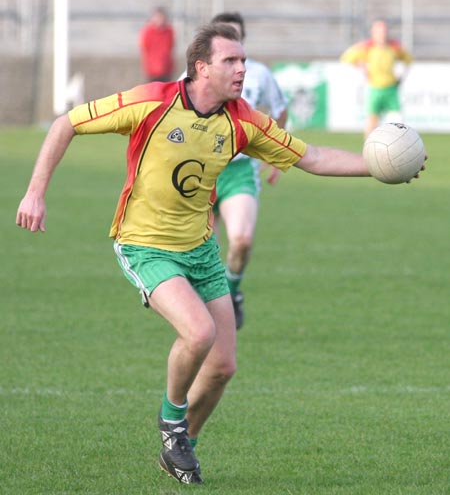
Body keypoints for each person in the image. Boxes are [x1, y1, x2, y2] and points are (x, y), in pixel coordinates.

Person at [16, 24, 424, 486]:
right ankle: (171, 423)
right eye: (231, 61)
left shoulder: (242, 120)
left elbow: (311, 158)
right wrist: (35, 192)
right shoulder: (151, 100)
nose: (243, 69)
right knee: (199, 332)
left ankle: (177, 448)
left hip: (201, 250)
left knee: (223, 366)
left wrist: (378, 167)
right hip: (144, 244)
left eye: (244, 61)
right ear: (201, 67)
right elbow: (66, 123)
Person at [181, 12, 288, 329]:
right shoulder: (192, 78)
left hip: (239, 171)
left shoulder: (259, 75)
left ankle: (232, 293)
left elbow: (281, 110)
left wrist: (274, 153)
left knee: (241, 240)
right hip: (198, 173)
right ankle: (207, 315)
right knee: (205, 254)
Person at [340, 19, 413, 137]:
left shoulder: (394, 47)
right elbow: (346, 58)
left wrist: (402, 76)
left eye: (384, 31)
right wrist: (361, 68)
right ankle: (368, 151)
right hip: (375, 88)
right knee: (372, 123)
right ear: (373, 33)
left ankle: (398, 151)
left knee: (398, 123)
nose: (382, 34)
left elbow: (408, 60)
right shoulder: (367, 47)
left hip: (391, 89)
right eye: (379, 31)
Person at [139, 6, 175, 82]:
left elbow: (170, 48)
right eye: (158, 17)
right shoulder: (148, 31)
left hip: (166, 70)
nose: (160, 20)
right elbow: (144, 48)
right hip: (151, 71)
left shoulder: (169, 31)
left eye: (162, 17)